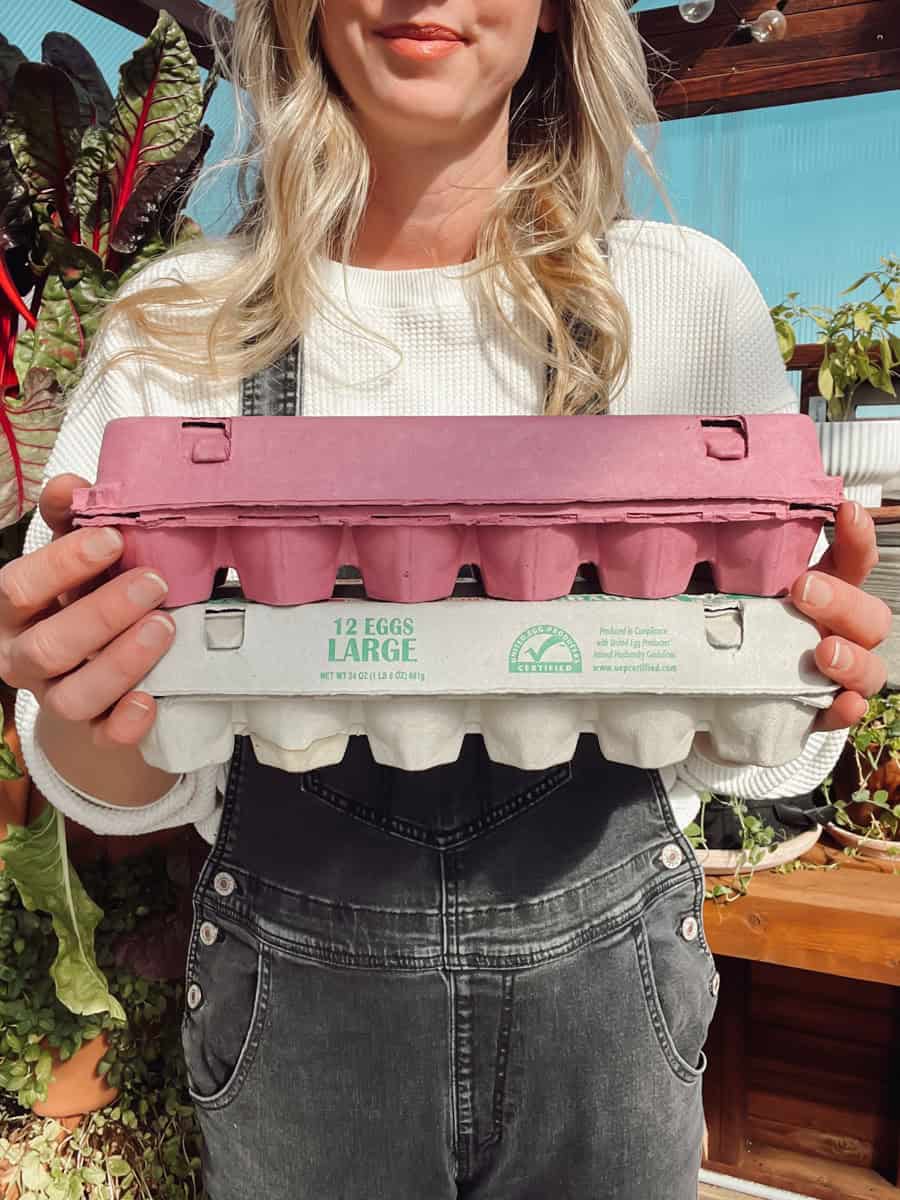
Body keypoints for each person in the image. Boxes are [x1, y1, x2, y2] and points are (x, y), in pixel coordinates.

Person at [2, 2, 890, 1197]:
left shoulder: (679, 302)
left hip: (606, 1004)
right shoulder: (183, 327)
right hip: (301, 1015)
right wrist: (74, 690)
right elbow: (113, 785)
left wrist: (811, 684)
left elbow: (752, 762)